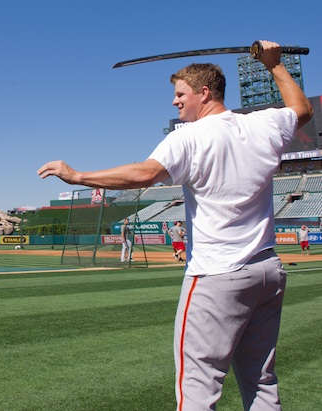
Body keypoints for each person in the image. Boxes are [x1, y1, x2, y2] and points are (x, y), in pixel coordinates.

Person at [38, 41, 313, 410]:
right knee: (261, 381)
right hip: (266, 270)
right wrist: (275, 64)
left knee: (197, 389)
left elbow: (145, 174)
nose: (174, 101)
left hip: (217, 275)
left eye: (180, 94)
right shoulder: (262, 123)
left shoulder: (189, 137)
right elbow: (302, 109)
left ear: (203, 93)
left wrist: (78, 175)